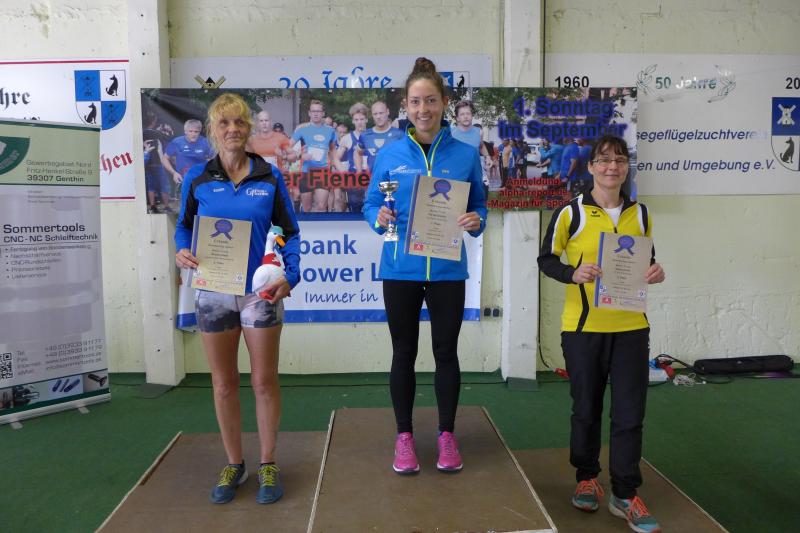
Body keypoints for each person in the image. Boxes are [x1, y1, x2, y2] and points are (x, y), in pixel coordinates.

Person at [174, 93, 301, 505]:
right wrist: (181, 250)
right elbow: (184, 227)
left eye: (239, 122)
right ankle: (234, 463)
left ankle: (268, 462)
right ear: (213, 129)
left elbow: (290, 232)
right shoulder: (197, 178)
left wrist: (291, 275)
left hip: (260, 293)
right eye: (224, 123)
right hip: (213, 292)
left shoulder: (269, 176)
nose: (232, 130)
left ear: (248, 129)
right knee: (224, 384)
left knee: (263, 382)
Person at [363, 57, 487, 475]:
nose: (423, 109)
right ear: (406, 105)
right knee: (403, 352)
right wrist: (378, 218)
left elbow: (480, 203)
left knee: (446, 352)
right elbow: (371, 203)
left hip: (448, 270)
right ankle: (404, 437)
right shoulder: (390, 153)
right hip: (400, 268)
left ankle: (447, 434)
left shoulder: (465, 154)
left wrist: (477, 220)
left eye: (431, 100)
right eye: (416, 101)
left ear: (444, 102)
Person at [537, 134, 665, 533]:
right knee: (586, 410)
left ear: (627, 168)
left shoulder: (641, 214)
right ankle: (587, 478)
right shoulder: (570, 213)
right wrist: (572, 273)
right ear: (591, 166)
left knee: (629, 414)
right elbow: (546, 259)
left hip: (631, 329)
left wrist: (656, 271)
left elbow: (647, 260)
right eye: (605, 160)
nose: (613, 167)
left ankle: (625, 494)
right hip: (583, 329)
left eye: (620, 160)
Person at [291, 100, 337, 212]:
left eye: (318, 111)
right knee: (307, 208)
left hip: (323, 172)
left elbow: (333, 152)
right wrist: (300, 155)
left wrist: (336, 167)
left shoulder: (330, 131)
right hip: (306, 171)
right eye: (313, 111)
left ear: (323, 113)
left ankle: (321, 223)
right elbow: (287, 147)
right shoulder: (302, 129)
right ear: (309, 113)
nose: (316, 114)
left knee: (321, 206)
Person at [163, 119, 215, 201]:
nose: (193, 134)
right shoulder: (177, 142)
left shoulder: (205, 142)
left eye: (196, 132)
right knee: (187, 205)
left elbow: (214, 159)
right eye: (190, 131)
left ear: (200, 131)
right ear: (185, 131)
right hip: (184, 181)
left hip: (201, 181)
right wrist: (174, 173)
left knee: (202, 204)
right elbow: (165, 158)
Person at [335, 102, 369, 213]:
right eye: (356, 119)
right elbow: (336, 158)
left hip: (371, 177)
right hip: (355, 178)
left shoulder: (373, 136)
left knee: (371, 208)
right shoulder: (347, 138)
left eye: (362, 119)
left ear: (366, 120)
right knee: (355, 209)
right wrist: (342, 171)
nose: (359, 122)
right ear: (353, 121)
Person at [357, 100, 403, 172]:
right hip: (373, 177)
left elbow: (407, 157)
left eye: (381, 113)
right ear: (372, 115)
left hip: (393, 177)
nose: (378, 116)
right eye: (375, 114)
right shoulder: (365, 135)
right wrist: (359, 171)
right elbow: (358, 153)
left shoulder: (399, 134)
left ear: (387, 112)